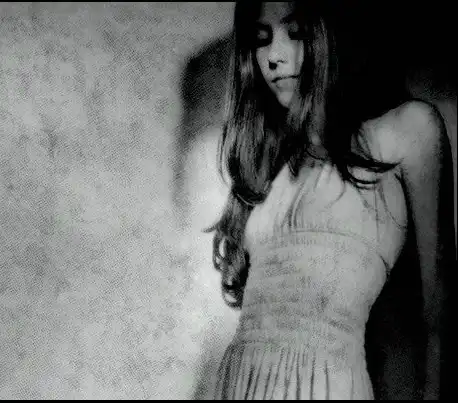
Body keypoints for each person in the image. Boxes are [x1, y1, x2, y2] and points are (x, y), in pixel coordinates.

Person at [204, 1, 455, 400]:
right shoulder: (267, 167)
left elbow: (439, 314)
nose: (274, 56)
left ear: (331, 32)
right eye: (260, 40)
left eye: (297, 33)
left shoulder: (408, 131)